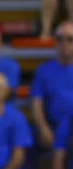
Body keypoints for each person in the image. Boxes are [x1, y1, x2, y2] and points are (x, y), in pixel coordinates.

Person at [30, 23, 73, 161]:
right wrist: (43, 127)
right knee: (26, 134)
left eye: (69, 39)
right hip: (53, 125)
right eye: (60, 38)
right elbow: (36, 102)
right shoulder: (43, 70)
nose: (64, 43)